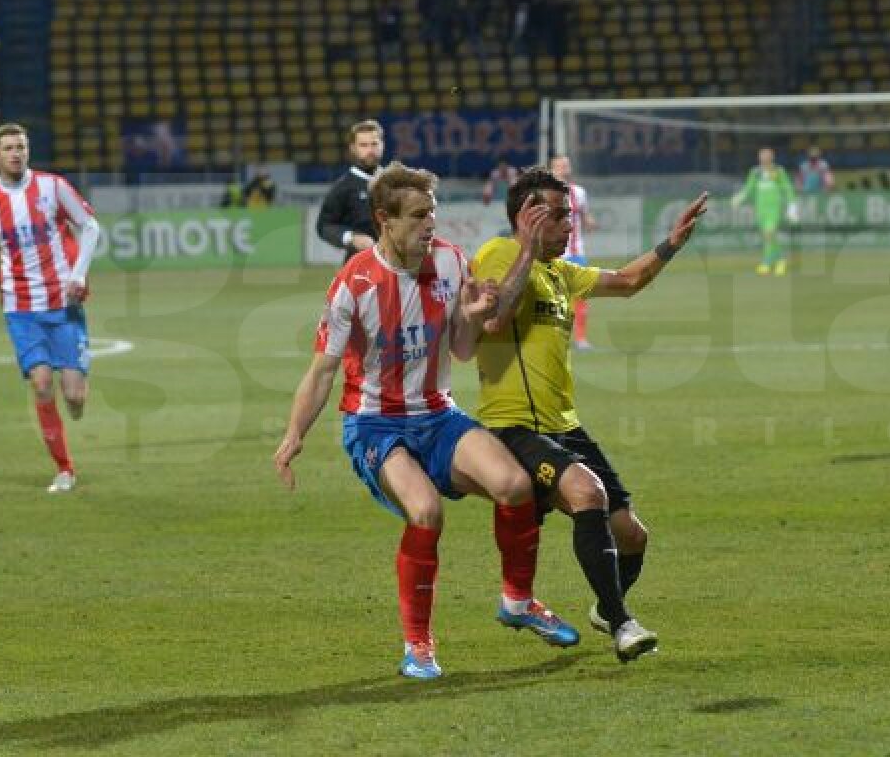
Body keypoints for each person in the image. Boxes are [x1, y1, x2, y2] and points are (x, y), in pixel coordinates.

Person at [274, 161, 579, 681]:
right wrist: (293, 435)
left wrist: (476, 315)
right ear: (383, 220)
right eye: (417, 216)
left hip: (437, 413)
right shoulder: (354, 283)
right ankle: (418, 644)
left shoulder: (451, 262)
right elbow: (323, 370)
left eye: (432, 213)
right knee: (425, 509)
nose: (430, 225)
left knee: (514, 484)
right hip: (375, 425)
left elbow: (460, 350)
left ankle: (518, 600)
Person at [471, 165, 710, 662]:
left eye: (570, 215)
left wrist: (670, 244)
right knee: (586, 492)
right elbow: (492, 322)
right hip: (513, 425)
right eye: (558, 216)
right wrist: (527, 250)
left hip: (564, 425)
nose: (568, 226)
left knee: (633, 537)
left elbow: (626, 280)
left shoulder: (560, 272)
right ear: (527, 216)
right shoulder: (498, 255)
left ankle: (606, 605)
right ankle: (622, 623)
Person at [0, 122, 101, 494]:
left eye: (20, 147)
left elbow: (89, 226)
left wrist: (79, 273)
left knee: (73, 396)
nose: (15, 153)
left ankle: (76, 400)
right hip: (20, 307)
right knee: (41, 383)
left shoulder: (53, 187)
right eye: (7, 148)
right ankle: (64, 469)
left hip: (64, 302)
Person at [316, 119, 384, 264]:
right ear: (353, 148)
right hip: (360, 265)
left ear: (382, 145)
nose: (370, 150)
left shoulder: (395, 182)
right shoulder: (343, 187)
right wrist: (351, 237)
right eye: (363, 145)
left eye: (374, 144)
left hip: (397, 265)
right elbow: (324, 226)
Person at [549, 154, 597, 349]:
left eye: (566, 165)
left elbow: (585, 216)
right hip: (553, 254)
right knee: (553, 298)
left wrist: (590, 222)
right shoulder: (544, 194)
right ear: (552, 169)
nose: (564, 169)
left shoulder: (579, 192)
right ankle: (556, 338)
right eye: (560, 166)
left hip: (576, 253)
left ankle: (581, 338)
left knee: (581, 295)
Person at [731, 147, 797, 276]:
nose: (764, 158)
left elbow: (787, 188)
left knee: (769, 233)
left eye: (767, 156)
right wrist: (738, 199)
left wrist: (792, 207)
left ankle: (766, 263)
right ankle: (780, 261)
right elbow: (748, 189)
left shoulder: (778, 171)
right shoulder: (755, 172)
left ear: (772, 157)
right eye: (762, 156)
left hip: (774, 208)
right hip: (760, 209)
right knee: (769, 237)